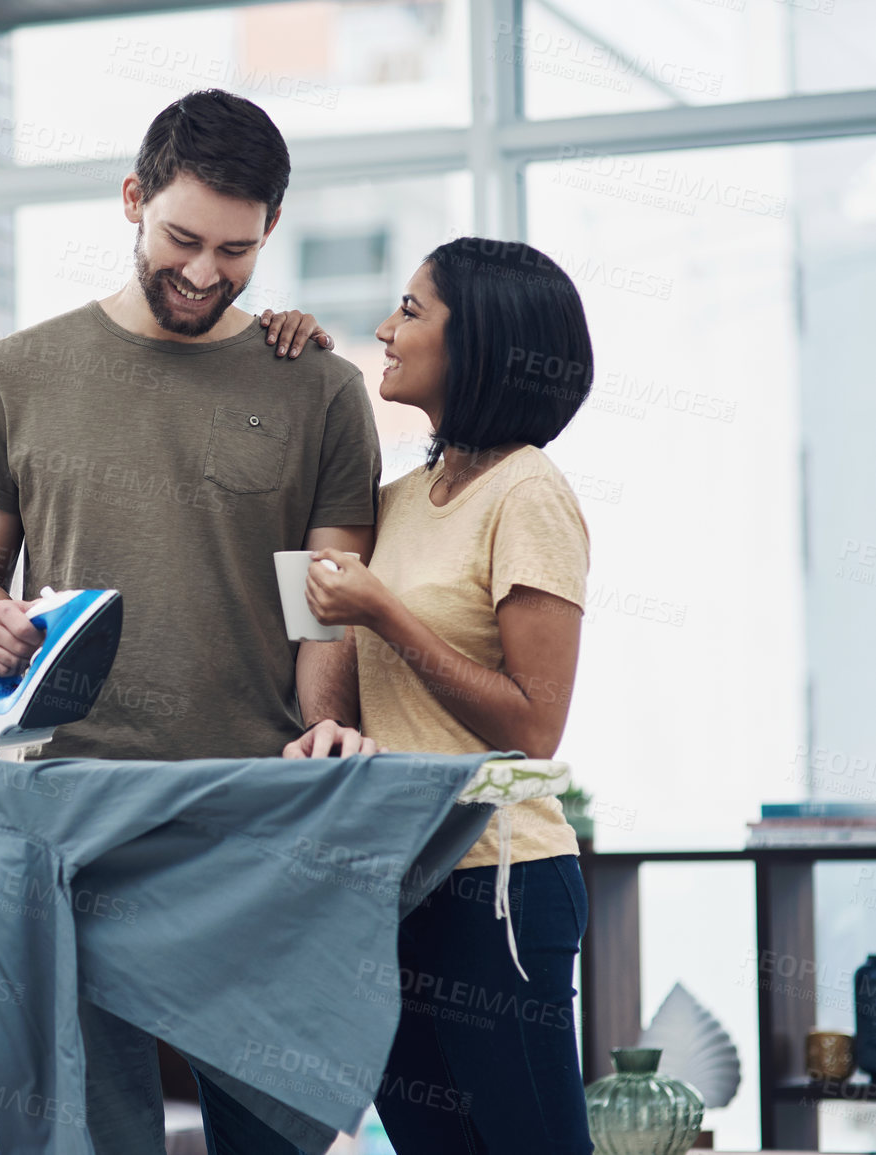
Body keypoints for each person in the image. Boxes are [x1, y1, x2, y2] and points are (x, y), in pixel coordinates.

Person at [0, 88, 381, 1152]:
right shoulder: (16, 372)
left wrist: (321, 732)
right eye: (182, 237)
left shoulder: (316, 386)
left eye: (235, 249)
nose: (203, 271)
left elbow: (321, 598)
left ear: (270, 229)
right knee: (91, 1131)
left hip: (255, 816)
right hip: (71, 815)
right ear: (132, 199)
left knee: (271, 1130)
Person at [266, 237, 595, 1154]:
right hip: (393, 878)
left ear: (479, 342)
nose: (385, 326)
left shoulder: (528, 492)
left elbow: (533, 724)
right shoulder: (394, 499)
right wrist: (299, 393)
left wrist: (386, 611)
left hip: (499, 879)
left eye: (411, 310)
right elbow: (330, 675)